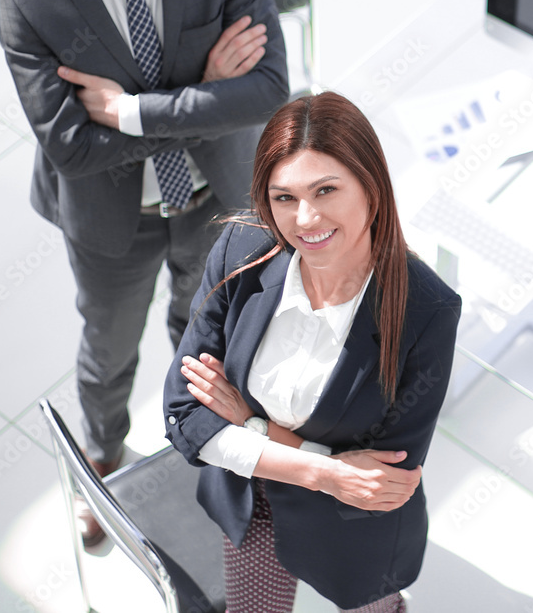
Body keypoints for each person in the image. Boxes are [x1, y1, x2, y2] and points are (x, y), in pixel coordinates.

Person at [0, 0, 290, 544]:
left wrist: (130, 111)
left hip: (218, 203)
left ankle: (211, 448)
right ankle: (102, 456)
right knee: (109, 350)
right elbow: (73, 149)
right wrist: (208, 94)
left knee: (212, 339)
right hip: (111, 219)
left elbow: (267, 90)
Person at [163, 92, 462, 612]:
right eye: (283, 198)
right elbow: (185, 415)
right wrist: (325, 470)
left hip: (351, 530)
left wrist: (251, 425)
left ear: (371, 185)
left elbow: (383, 481)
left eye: (326, 190)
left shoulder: (427, 310)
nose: (305, 219)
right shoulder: (240, 250)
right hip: (248, 498)